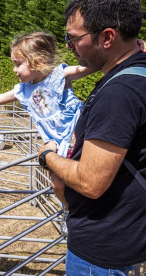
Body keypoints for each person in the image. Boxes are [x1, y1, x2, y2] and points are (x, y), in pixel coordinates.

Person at [37, 0, 146, 274]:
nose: (67, 46)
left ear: (107, 37)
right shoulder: (137, 73)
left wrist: (46, 156)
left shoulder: (119, 92)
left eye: (72, 38)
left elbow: (91, 181)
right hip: (127, 236)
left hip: (101, 252)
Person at [0, 31, 99, 158]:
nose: (14, 69)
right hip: (55, 140)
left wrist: (111, 58)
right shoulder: (23, 90)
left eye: (18, 64)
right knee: (58, 182)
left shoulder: (60, 76)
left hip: (77, 132)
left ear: (37, 61)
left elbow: (90, 67)